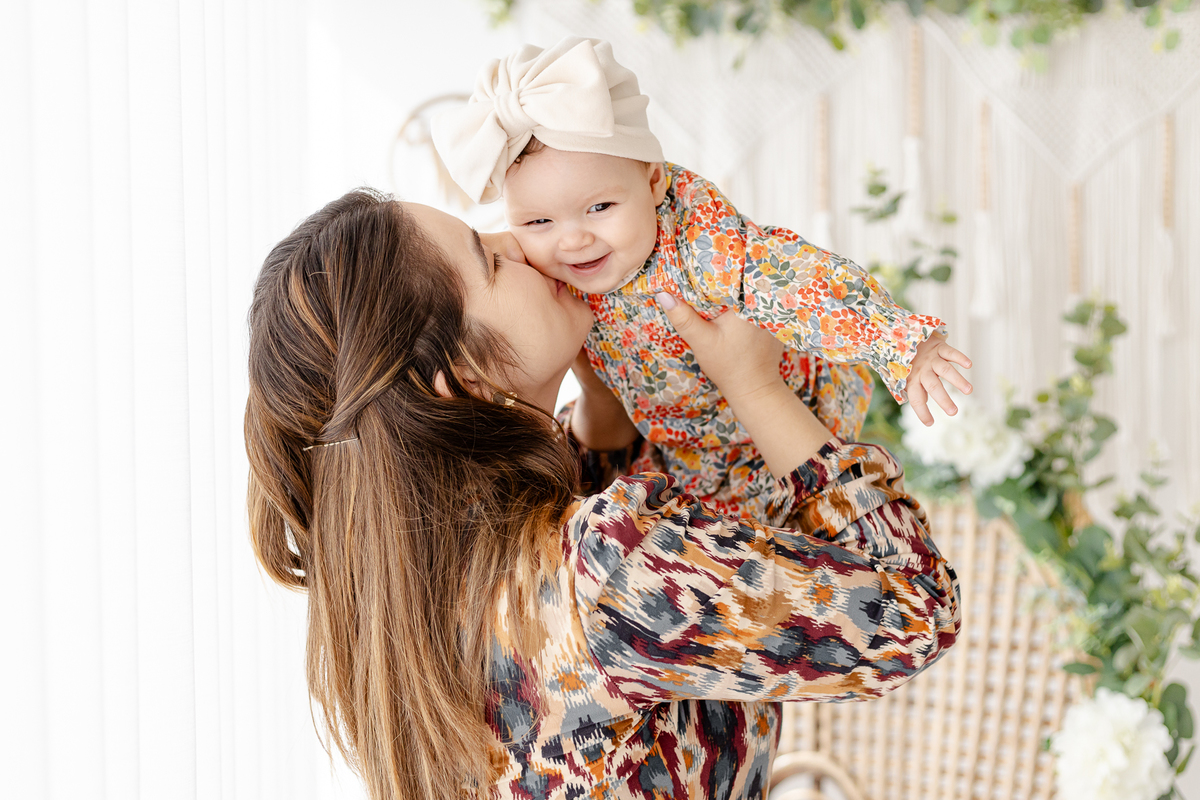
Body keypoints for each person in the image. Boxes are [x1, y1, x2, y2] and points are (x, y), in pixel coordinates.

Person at [244, 189, 960, 799]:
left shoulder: (411, 600)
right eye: (489, 260)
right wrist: (755, 386)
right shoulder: (604, 576)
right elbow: (917, 611)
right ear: (463, 381)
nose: (519, 243)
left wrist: (602, 390)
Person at [432, 36, 974, 522]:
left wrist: (901, 343)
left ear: (653, 181)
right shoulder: (544, 270)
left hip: (774, 428)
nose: (572, 241)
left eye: (599, 207)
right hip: (685, 450)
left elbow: (803, 281)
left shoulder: (703, 246)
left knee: (801, 549)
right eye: (538, 222)